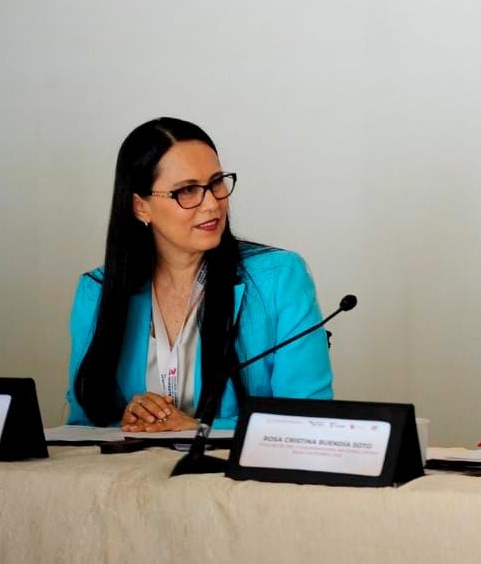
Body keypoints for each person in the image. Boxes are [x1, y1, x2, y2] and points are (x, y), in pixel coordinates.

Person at [67, 117, 334, 431]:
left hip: (229, 465)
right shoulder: (97, 291)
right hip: (134, 464)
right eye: (188, 190)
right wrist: (133, 421)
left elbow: (308, 422)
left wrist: (198, 429)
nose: (212, 204)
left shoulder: (280, 278)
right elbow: (81, 426)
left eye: (216, 182)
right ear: (141, 206)